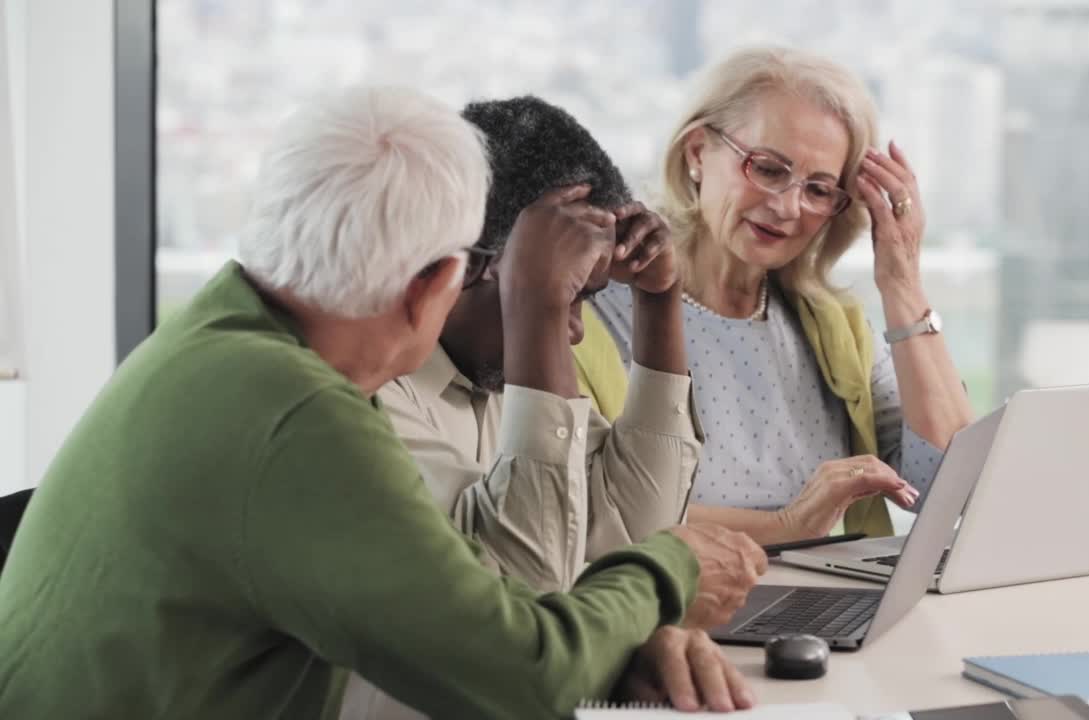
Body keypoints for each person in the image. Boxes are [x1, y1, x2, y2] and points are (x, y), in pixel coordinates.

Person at [0, 85, 763, 719]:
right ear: (437, 284)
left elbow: (483, 631)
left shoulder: (222, 340)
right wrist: (671, 568)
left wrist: (614, 643)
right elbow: (519, 679)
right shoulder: (297, 416)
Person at [574, 46, 975, 544]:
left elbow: (952, 486)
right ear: (697, 152)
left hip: (830, 616)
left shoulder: (834, 328)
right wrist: (784, 528)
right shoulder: (587, 316)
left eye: (819, 190)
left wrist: (902, 282)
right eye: (767, 169)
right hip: (669, 616)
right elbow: (582, 512)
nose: (788, 207)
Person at [377, 95, 707, 595]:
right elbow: (527, 589)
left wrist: (658, 299)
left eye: (584, 301)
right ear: (467, 266)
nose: (572, 332)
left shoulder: (505, 379)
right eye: (564, 299)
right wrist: (537, 308)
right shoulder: (373, 394)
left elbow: (637, 532)